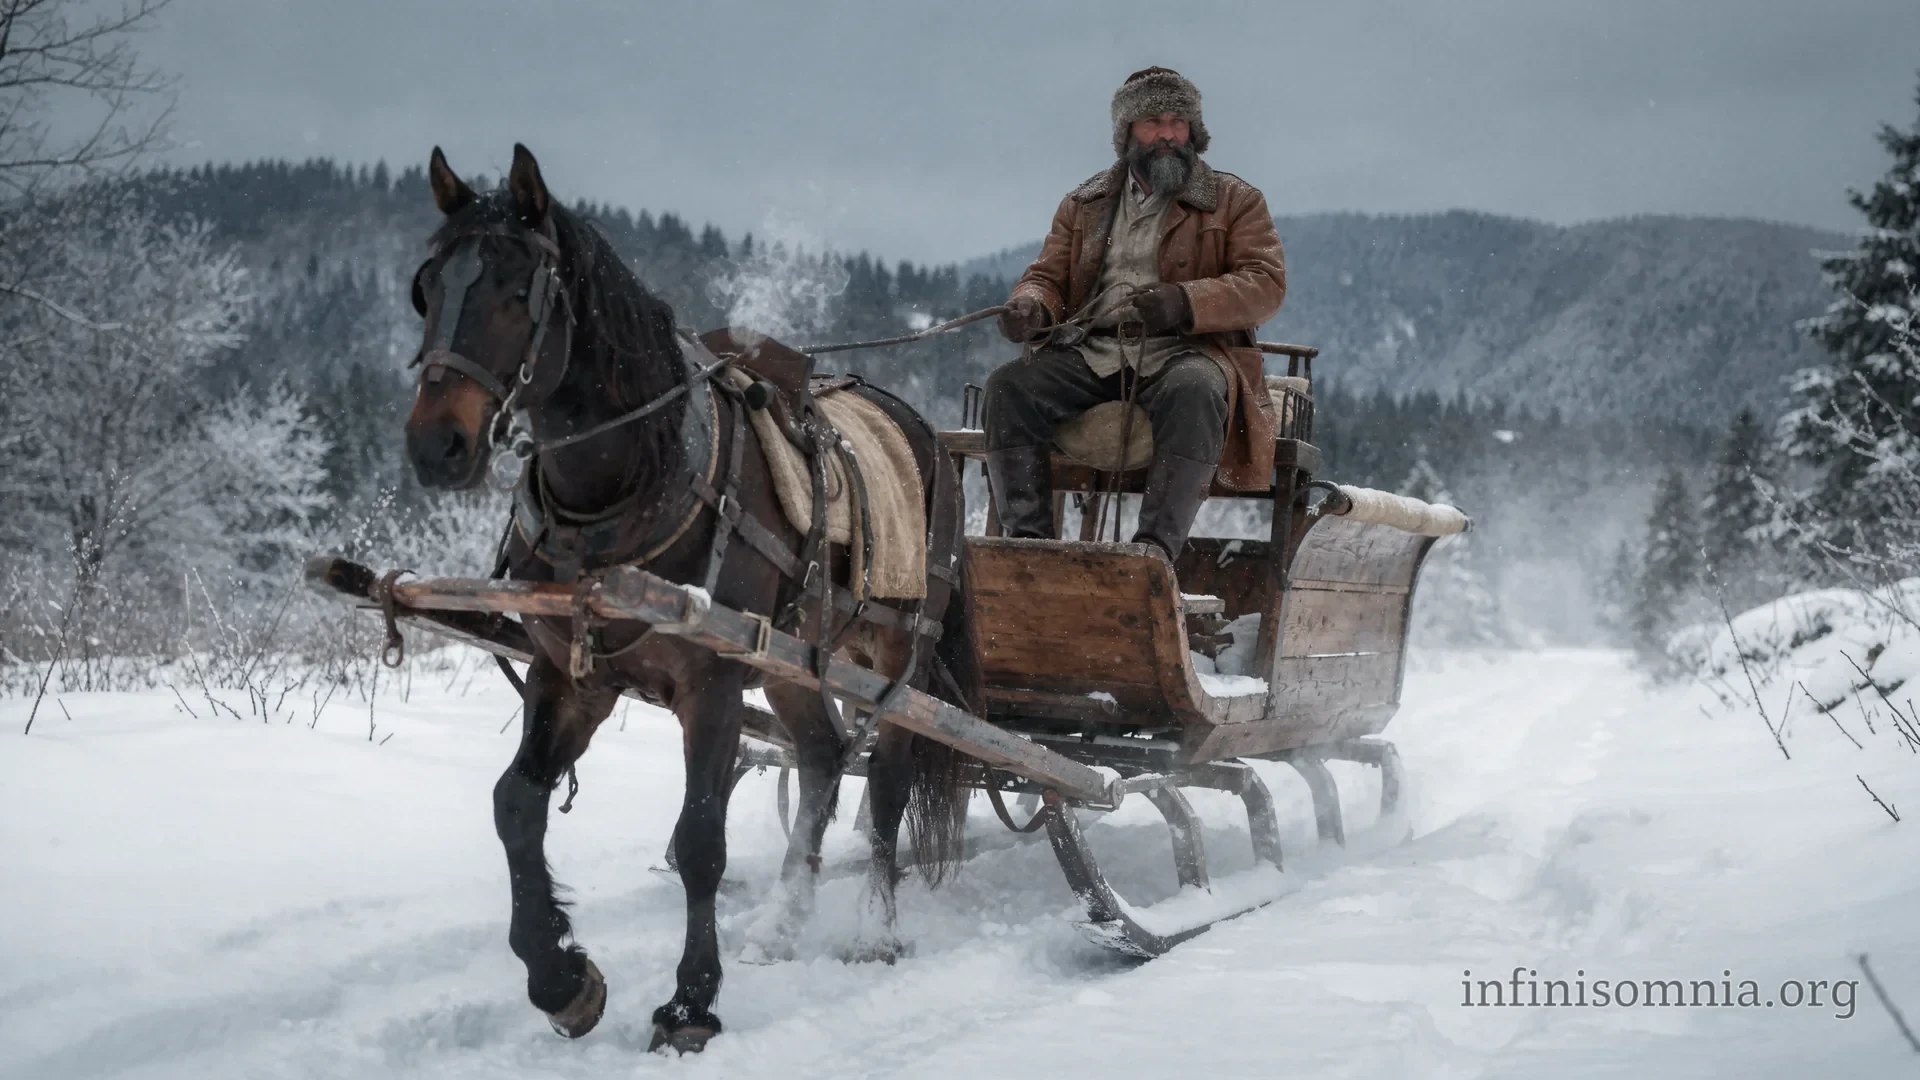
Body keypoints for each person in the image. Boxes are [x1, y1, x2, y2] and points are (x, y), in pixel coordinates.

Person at [983, 66, 1287, 560]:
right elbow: (1047, 277)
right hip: (1093, 352)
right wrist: (1032, 308)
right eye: (1152, 121)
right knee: (1008, 386)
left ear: (1194, 130)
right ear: (1127, 132)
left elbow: (1266, 284)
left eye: (1178, 121)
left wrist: (1185, 301)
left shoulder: (1236, 201)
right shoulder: (1082, 204)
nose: (1167, 134)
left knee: (1197, 388)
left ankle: (1152, 554)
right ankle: (1027, 547)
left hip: (1186, 351)